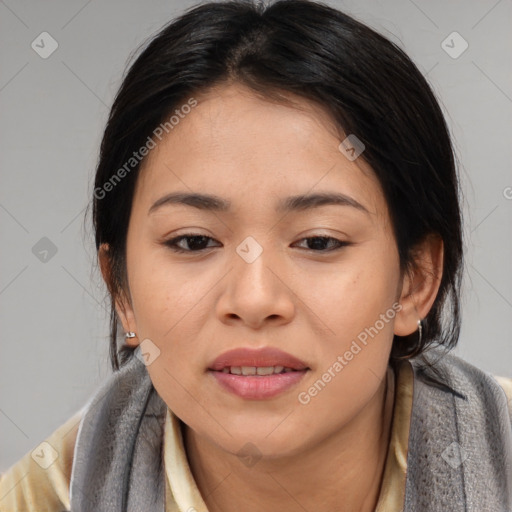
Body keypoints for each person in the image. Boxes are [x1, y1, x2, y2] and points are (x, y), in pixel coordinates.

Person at [1, 0, 511, 510]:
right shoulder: (42, 497)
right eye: (194, 241)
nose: (254, 298)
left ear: (414, 281)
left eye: (319, 242)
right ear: (122, 289)